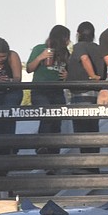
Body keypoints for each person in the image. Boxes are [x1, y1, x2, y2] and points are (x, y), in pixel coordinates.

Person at [26, 24, 71, 154]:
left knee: (57, 122)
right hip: (40, 89)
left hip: (57, 90)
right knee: (46, 114)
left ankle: (53, 155)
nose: (68, 42)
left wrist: (67, 75)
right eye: (66, 39)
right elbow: (29, 69)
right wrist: (41, 57)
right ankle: (42, 146)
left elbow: (70, 72)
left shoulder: (65, 53)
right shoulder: (40, 48)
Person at [66, 21, 105, 156]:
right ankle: (94, 164)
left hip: (81, 92)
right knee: (93, 129)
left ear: (78, 34)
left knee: (82, 132)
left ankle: (86, 165)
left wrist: (92, 75)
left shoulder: (79, 47)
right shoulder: (98, 48)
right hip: (96, 93)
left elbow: (84, 58)